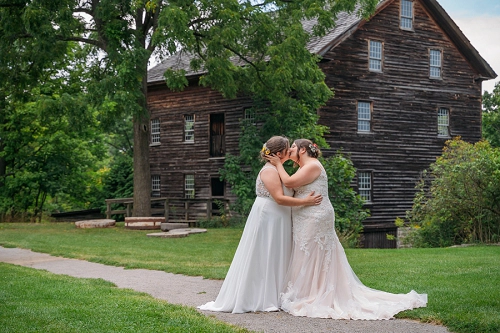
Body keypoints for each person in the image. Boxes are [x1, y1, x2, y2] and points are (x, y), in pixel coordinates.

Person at [266, 139, 427, 320]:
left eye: (293, 147)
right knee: (307, 253)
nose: (290, 150)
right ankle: (306, 291)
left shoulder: (312, 166)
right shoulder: (304, 167)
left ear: (303, 150)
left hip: (315, 216)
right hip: (305, 216)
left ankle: (316, 293)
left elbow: (288, 183)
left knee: (314, 252)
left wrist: (278, 163)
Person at [198, 136, 322, 313]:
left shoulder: (278, 168)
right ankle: (259, 297)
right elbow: (279, 198)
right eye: (287, 149)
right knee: (266, 254)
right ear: (279, 153)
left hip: (280, 218)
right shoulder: (269, 171)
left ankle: (276, 294)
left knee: (277, 255)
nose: (290, 151)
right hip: (269, 217)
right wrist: (305, 203)